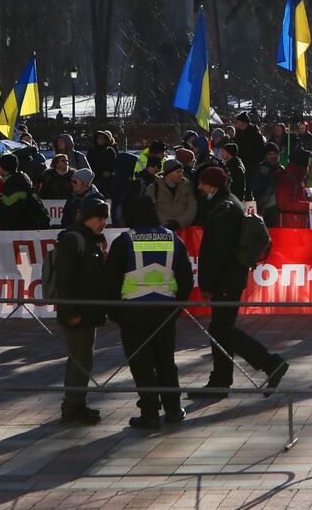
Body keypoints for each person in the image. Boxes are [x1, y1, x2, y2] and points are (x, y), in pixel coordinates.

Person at [188, 166, 288, 398]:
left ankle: (269, 363)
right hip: (229, 278)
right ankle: (222, 380)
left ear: (213, 185)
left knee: (222, 330)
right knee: (221, 330)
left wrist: (208, 285)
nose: (200, 187)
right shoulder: (226, 204)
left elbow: (218, 252)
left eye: (203, 183)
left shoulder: (225, 208)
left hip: (225, 280)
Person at [104, 195, 195, 429]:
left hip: (132, 311)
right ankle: (174, 409)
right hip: (165, 310)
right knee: (166, 360)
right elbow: (185, 279)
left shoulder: (124, 241)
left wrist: (115, 312)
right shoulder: (173, 239)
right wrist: (178, 307)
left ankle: (150, 412)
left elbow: (111, 281)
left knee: (141, 364)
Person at [52, 197, 111, 424]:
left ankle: (78, 404)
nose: (103, 222)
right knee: (79, 359)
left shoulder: (91, 239)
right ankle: (73, 407)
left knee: (83, 358)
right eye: (99, 218)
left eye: (105, 218)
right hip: (78, 312)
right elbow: (64, 279)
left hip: (88, 309)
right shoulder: (73, 239)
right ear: (87, 218)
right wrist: (69, 312)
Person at [0, 154, 48, 229]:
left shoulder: (13, 186)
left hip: (16, 232)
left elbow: (9, 214)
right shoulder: (18, 180)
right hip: (21, 230)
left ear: (4, 168)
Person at [148, 159, 198, 230]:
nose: (181, 174)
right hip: (161, 230)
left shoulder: (187, 187)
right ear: (168, 173)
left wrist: (179, 222)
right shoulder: (153, 188)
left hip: (182, 230)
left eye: (182, 171)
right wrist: (166, 223)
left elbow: (192, 207)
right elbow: (150, 208)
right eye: (178, 172)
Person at [276, 148, 312, 228]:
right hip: (289, 226)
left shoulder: (298, 179)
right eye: (308, 163)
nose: (309, 165)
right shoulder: (289, 180)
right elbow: (284, 204)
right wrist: (308, 205)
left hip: (295, 225)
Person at [251, 143, 283, 225]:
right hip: (265, 208)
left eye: (275, 153)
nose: (273, 156)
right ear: (266, 155)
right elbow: (257, 189)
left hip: (280, 208)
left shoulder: (281, 169)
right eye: (270, 154)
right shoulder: (262, 168)